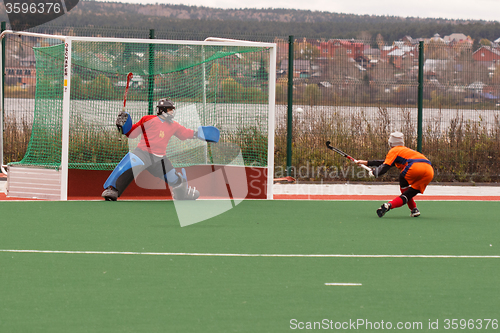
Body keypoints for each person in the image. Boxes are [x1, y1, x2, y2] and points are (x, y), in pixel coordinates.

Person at [101, 98, 218, 201]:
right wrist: (123, 126)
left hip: (160, 159)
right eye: (170, 109)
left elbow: (184, 133)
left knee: (174, 178)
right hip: (143, 153)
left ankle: (182, 194)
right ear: (163, 110)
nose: (172, 112)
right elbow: (131, 133)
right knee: (130, 163)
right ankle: (112, 189)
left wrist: (198, 134)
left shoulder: (174, 125)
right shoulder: (147, 119)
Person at [356, 131, 434, 218]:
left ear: (391, 143)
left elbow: (385, 167)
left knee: (404, 190)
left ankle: (410, 208)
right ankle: (410, 209)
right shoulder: (406, 150)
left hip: (413, 167)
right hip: (429, 171)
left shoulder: (394, 150)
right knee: (408, 194)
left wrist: (375, 173)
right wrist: (366, 162)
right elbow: (386, 162)